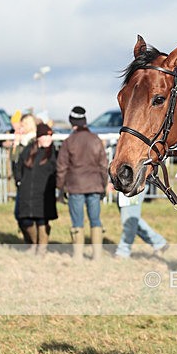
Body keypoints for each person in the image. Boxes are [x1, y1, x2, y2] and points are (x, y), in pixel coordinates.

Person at [56, 106, 109, 261]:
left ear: (72, 122)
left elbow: (61, 168)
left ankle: (78, 256)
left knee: (77, 222)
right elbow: (103, 165)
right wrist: (104, 185)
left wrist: (60, 188)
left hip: (75, 187)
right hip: (95, 185)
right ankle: (97, 256)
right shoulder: (96, 139)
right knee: (95, 220)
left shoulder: (68, 142)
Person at [14, 123, 57, 255]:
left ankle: (41, 249)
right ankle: (33, 244)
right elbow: (18, 167)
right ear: (38, 137)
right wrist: (19, 181)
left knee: (42, 220)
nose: (48, 139)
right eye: (45, 136)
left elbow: (57, 171)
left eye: (50, 136)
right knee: (25, 220)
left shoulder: (53, 153)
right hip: (27, 192)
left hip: (44, 193)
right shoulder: (28, 150)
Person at [114, 186, 168, 259]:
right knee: (131, 217)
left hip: (134, 184)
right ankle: (158, 242)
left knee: (130, 219)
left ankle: (123, 251)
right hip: (126, 184)